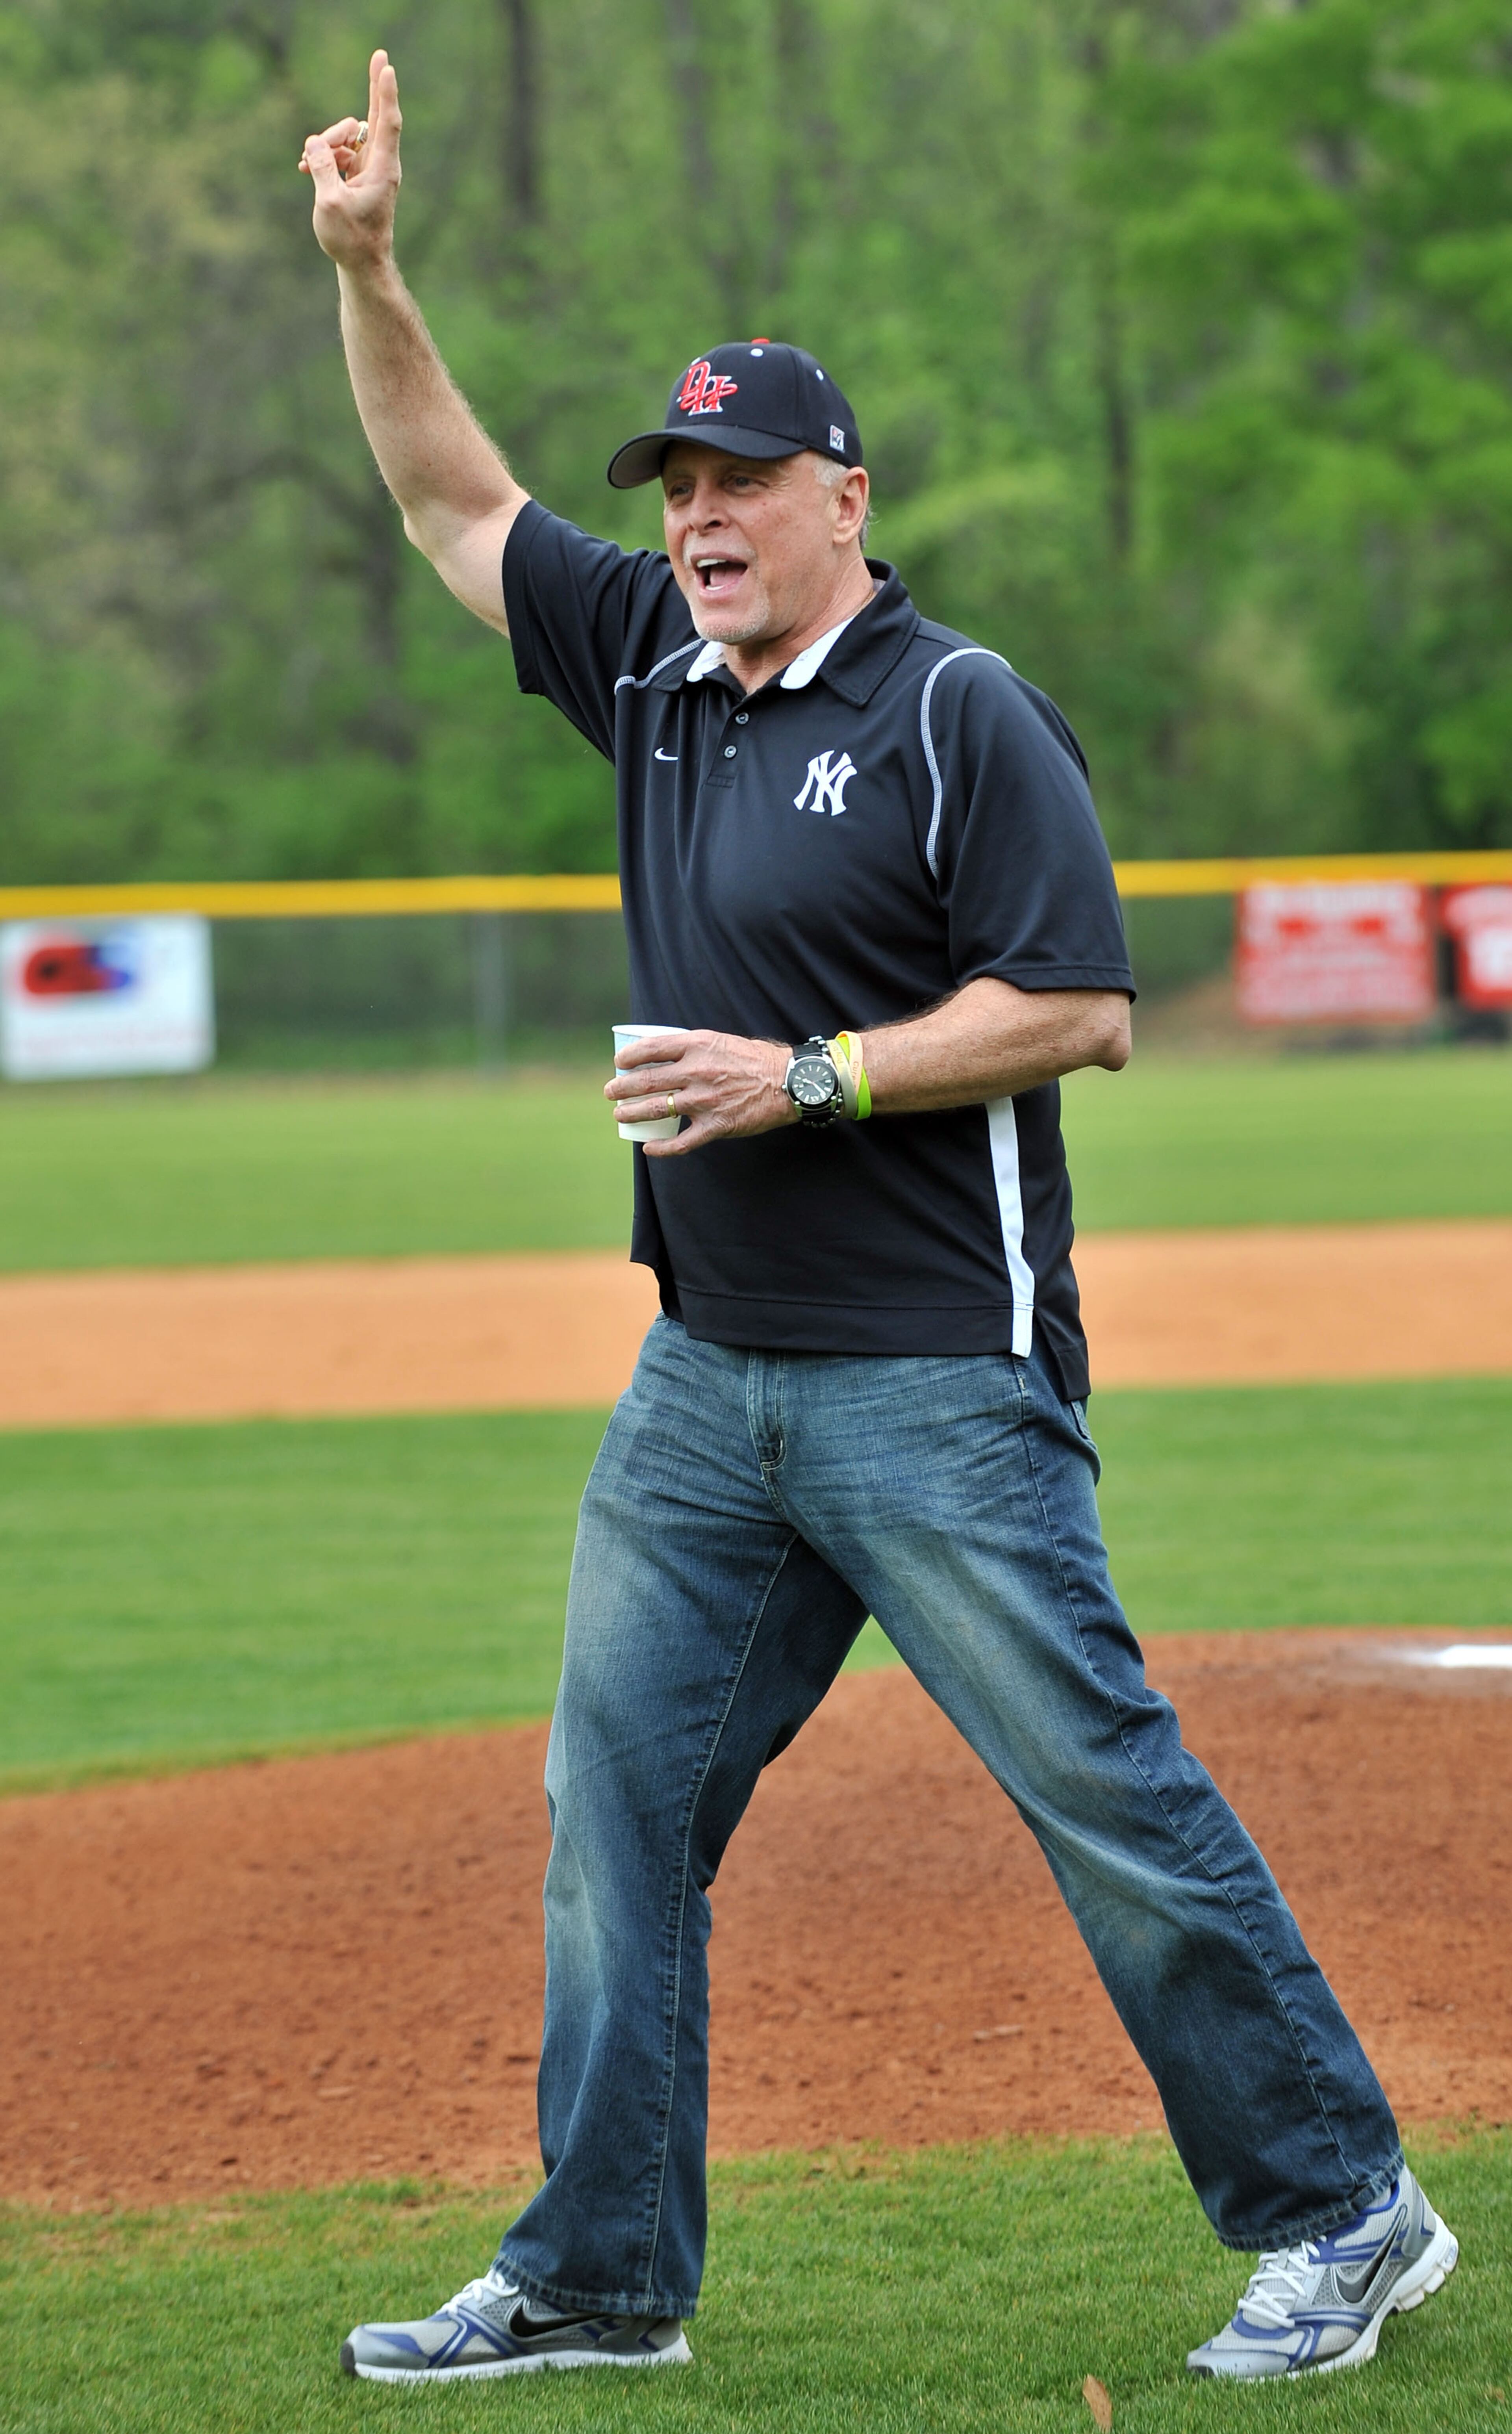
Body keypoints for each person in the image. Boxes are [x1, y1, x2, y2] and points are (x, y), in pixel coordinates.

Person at [303, 52, 1458, 2390]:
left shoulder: (960, 711)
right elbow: (449, 500)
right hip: (702, 1381)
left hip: (935, 1370)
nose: (700, 513)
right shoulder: (646, 658)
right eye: (680, 482)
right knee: (615, 1805)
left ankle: (1349, 2207)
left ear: (845, 494)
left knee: (1100, 1792)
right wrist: (367, 270)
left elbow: (1086, 1012)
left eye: (741, 478)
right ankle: (606, 2269)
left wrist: (803, 1074)